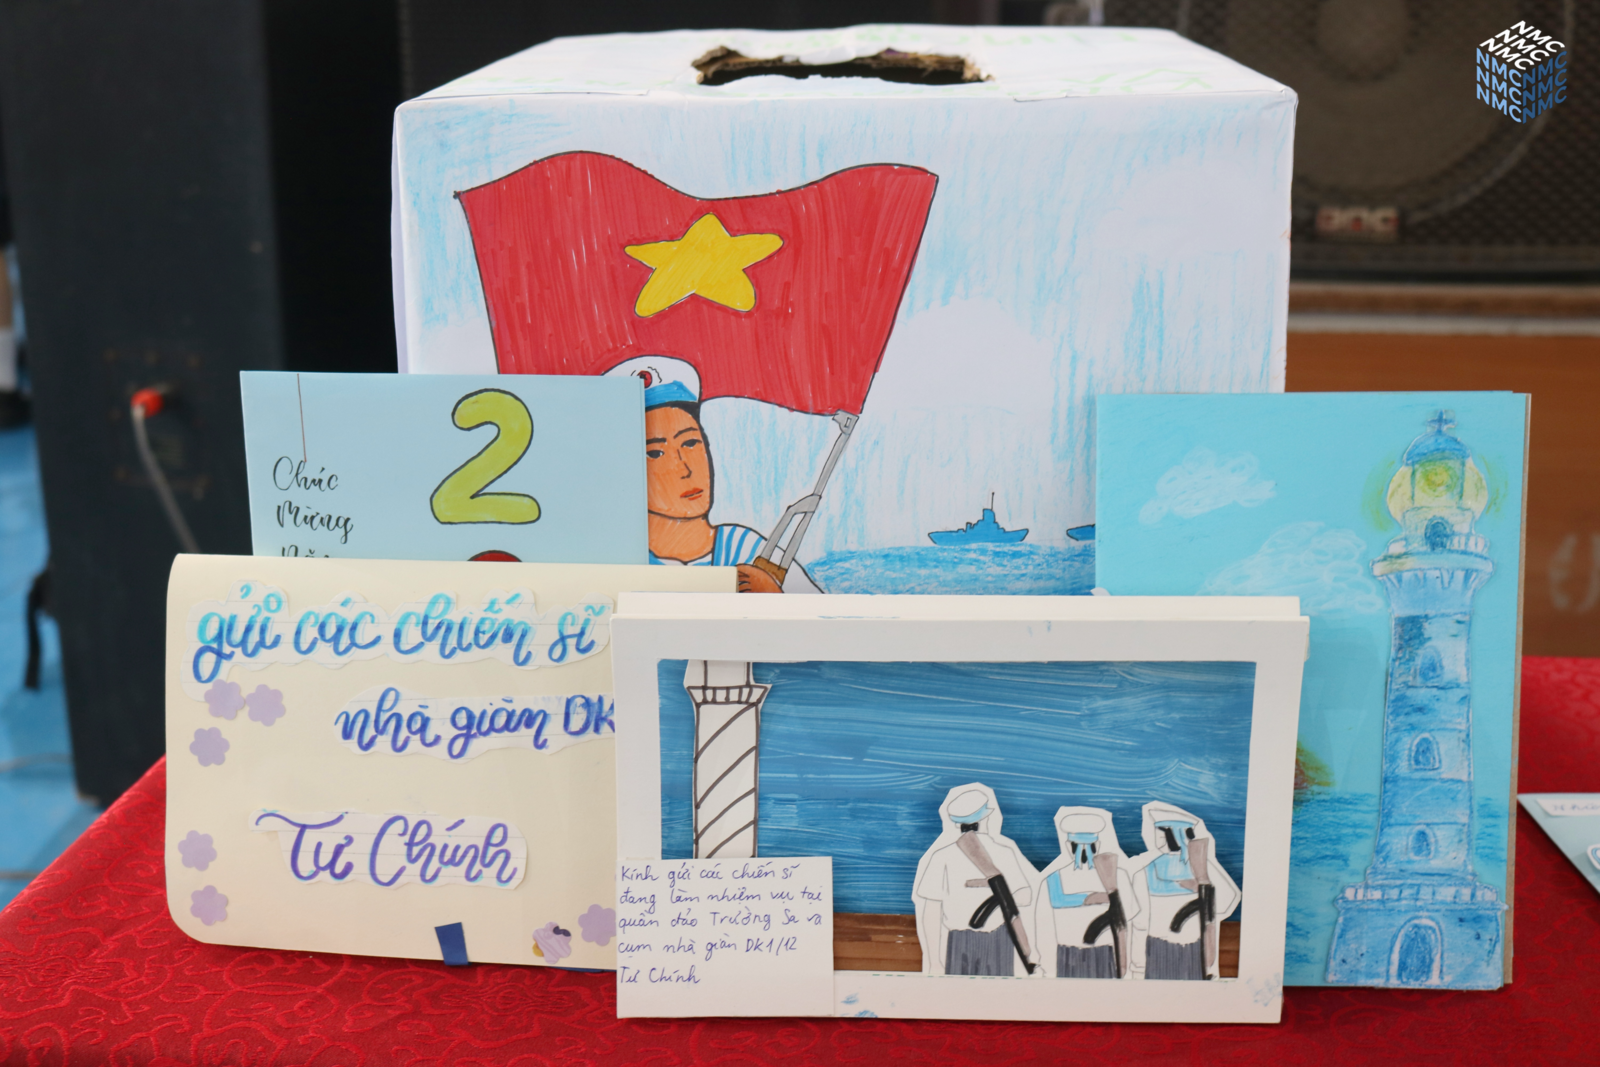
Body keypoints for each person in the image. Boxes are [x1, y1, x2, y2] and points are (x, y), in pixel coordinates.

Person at [608, 356, 818, 593]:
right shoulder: (618, 562)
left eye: (690, 443)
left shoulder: (747, 550)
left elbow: (825, 613)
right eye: (655, 453)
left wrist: (774, 597)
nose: (684, 469)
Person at [911, 784, 1040, 977]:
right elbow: (1024, 897)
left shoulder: (940, 856)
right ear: (986, 818)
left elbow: (931, 912)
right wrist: (998, 894)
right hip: (999, 939)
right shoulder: (1004, 852)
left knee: (960, 994)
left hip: (960, 941)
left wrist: (934, 960)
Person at [1127, 802, 1240, 980]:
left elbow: (1228, 901)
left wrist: (1203, 886)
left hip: (1186, 946)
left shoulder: (1203, 867)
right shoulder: (1145, 869)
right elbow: (1137, 917)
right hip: (1163, 947)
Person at [1034, 807, 1139, 978]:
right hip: (1067, 956)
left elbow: (1130, 918)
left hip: (1108, 955)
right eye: (1077, 846)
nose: (1083, 852)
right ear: (1068, 846)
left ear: (1098, 845)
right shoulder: (1052, 880)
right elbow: (1043, 927)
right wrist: (1047, 967)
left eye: (1090, 846)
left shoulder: (1118, 876)